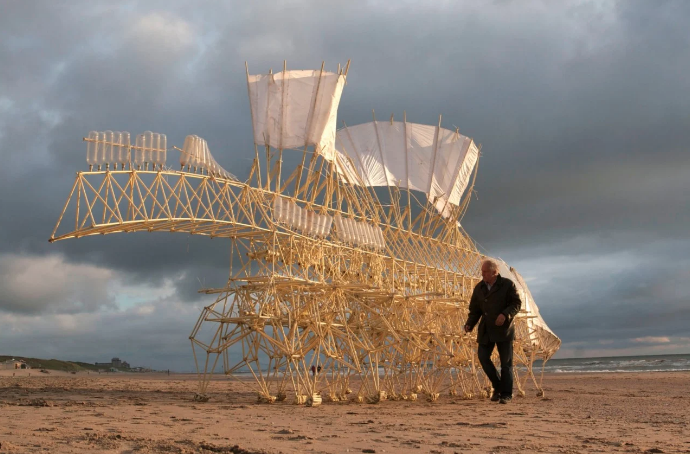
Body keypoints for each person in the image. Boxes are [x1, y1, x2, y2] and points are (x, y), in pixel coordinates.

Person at [464, 258, 521, 404]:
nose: (482, 274)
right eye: (482, 271)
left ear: (494, 272)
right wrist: (470, 324)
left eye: (485, 272)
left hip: (504, 329)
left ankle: (506, 394)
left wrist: (505, 314)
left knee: (506, 363)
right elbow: (475, 310)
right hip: (486, 329)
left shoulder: (507, 285)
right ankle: (498, 386)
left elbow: (516, 303)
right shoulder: (479, 288)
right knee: (483, 357)